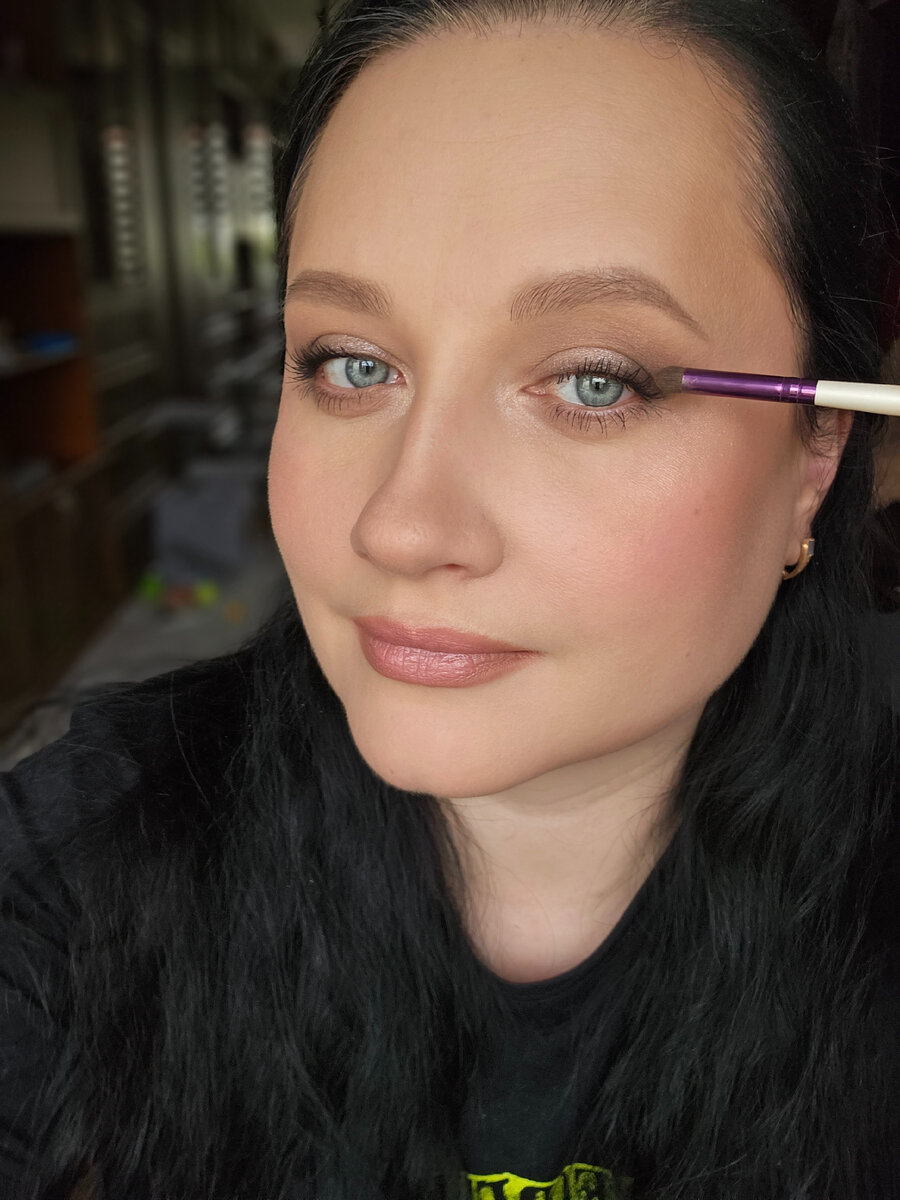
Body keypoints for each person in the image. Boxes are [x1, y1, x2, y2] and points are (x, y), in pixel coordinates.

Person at [1, 0, 897, 1197]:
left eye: (594, 381)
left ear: (815, 458)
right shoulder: (78, 864)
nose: (401, 524)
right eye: (351, 363)